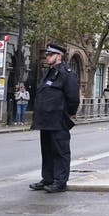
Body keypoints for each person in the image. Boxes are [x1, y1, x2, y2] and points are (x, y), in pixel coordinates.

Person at [30, 43, 80, 193]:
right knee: (47, 151)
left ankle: (60, 181)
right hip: (45, 120)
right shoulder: (49, 72)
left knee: (60, 152)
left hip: (58, 119)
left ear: (58, 56)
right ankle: (48, 178)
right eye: (46, 55)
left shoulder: (67, 73)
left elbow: (73, 98)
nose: (47, 57)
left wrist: (67, 114)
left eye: (50, 55)